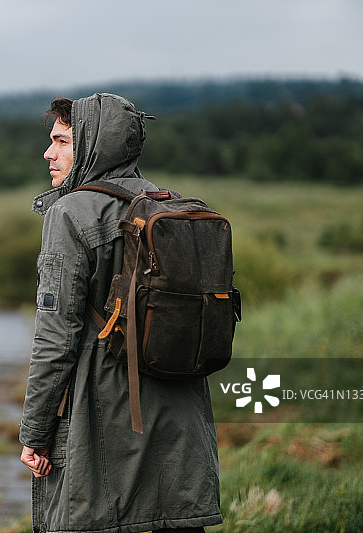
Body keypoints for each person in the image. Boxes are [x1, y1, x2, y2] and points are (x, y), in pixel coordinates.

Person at [19, 93, 222, 533]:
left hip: (104, 420)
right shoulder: (176, 207)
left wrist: (34, 433)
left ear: (92, 142)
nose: (48, 153)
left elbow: (55, 340)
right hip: (182, 423)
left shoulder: (69, 214)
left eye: (62, 141)